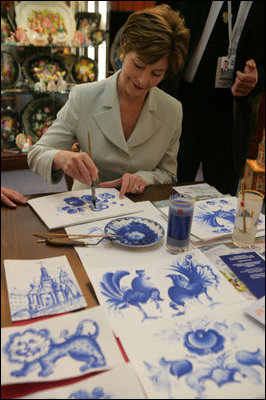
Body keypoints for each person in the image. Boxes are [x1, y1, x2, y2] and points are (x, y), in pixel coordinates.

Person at [27, 5, 190, 199]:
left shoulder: (172, 110)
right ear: (124, 48)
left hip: (140, 204)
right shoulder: (83, 97)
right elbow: (36, 154)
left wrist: (144, 178)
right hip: (88, 202)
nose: (143, 80)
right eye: (138, 65)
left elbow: (168, 173)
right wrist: (61, 158)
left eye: (157, 73)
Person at [156, 1, 265, 195]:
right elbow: (160, 19)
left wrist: (257, 78)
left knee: (221, 197)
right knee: (167, 186)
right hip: (182, 99)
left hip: (232, 111)